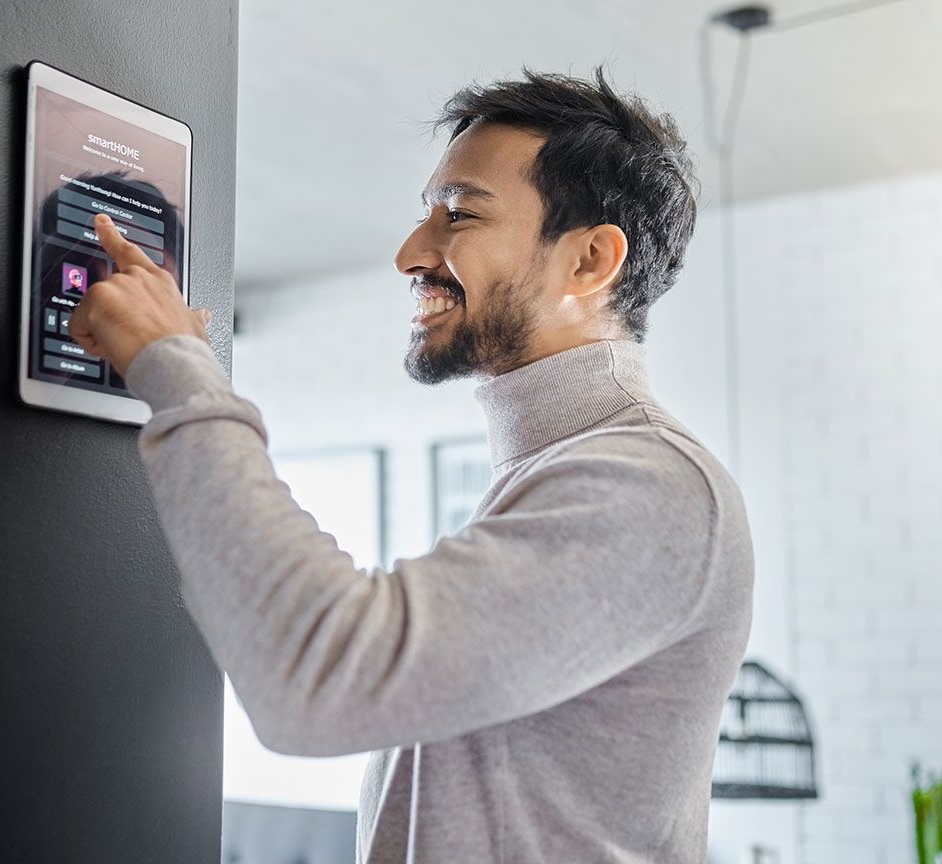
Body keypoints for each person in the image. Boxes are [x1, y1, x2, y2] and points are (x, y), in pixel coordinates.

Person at [69, 68, 754, 864]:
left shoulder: (651, 487)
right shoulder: (558, 474)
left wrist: (175, 366)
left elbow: (318, 683)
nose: (410, 253)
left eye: (459, 213)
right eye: (424, 213)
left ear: (590, 260)